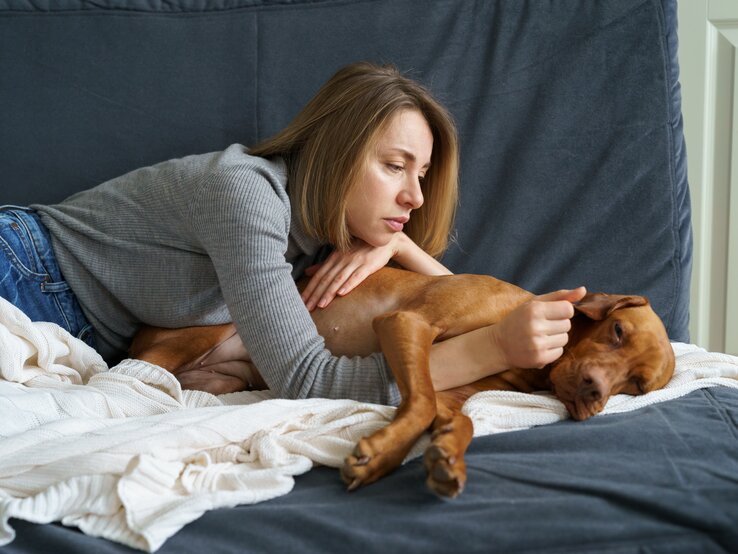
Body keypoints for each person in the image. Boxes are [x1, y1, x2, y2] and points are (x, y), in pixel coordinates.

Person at [0, 62, 585, 406]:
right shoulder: (246, 195)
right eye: (394, 165)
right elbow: (309, 380)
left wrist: (402, 245)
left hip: (75, 325)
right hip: (25, 272)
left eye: (423, 174)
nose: (417, 196)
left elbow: (462, 301)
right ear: (335, 151)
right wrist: (493, 349)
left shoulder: (325, 241)